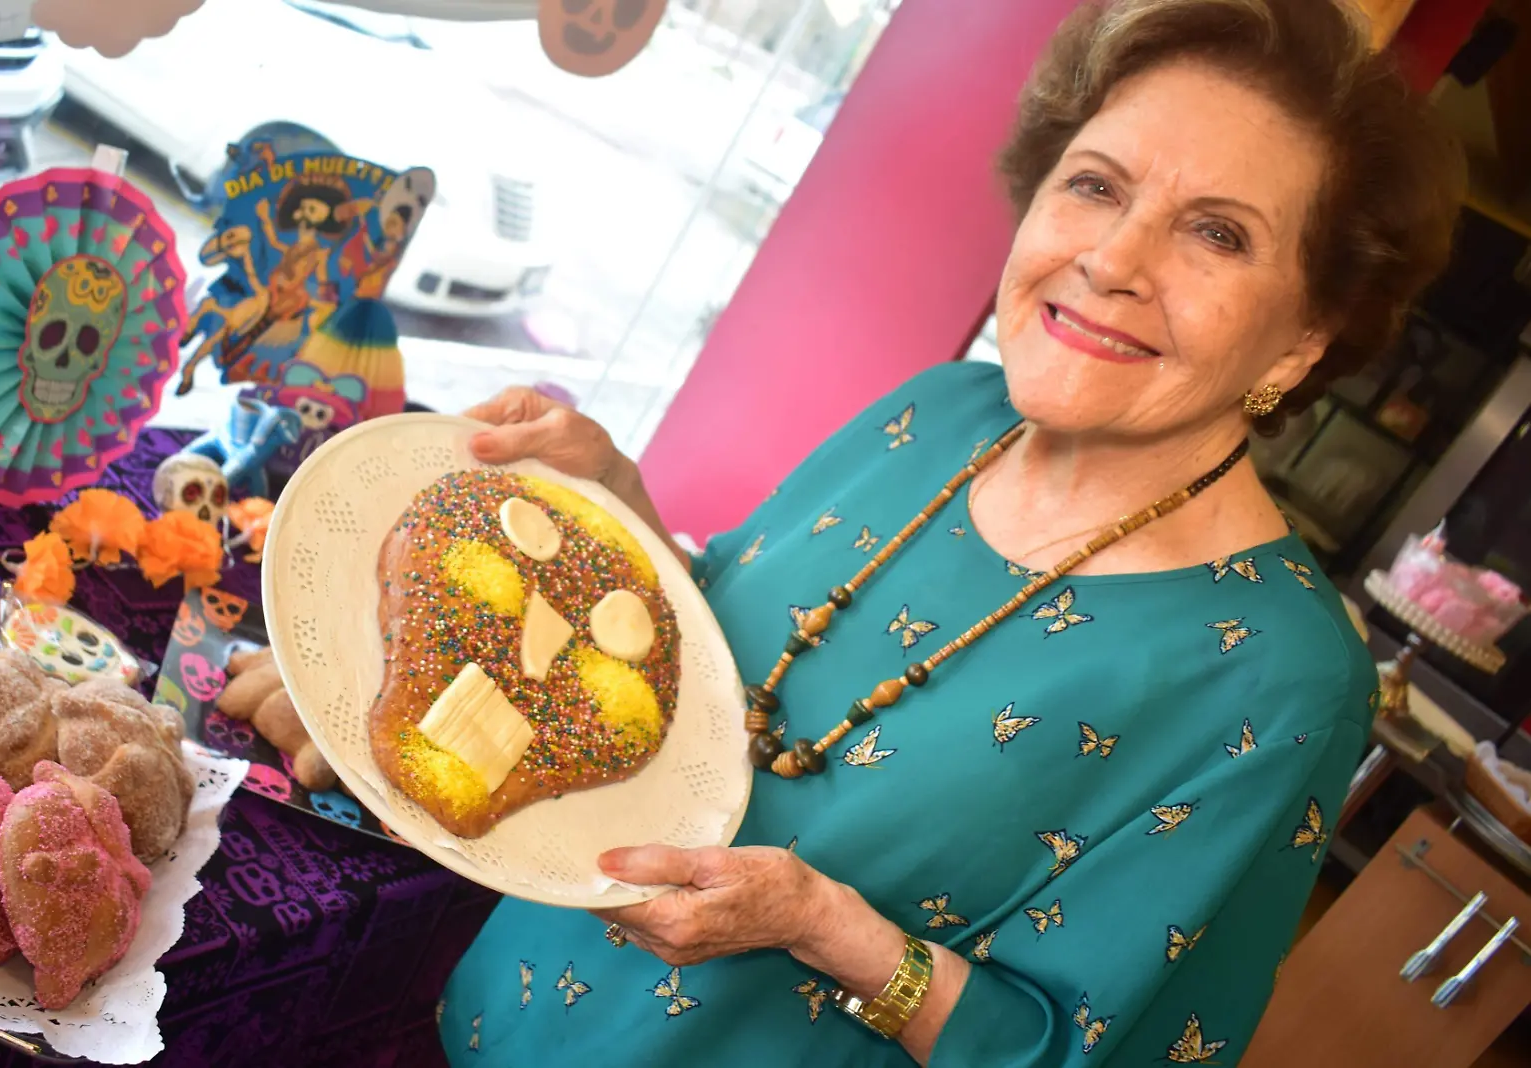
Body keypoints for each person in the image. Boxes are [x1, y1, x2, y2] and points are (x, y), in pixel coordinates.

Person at [435, 0, 1464, 1063]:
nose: (1113, 257)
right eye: (1095, 185)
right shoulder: (935, 412)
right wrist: (617, 494)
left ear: (1302, 339)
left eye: (1217, 233)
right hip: (482, 1007)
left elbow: (1107, 1053)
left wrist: (824, 928)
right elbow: (720, 657)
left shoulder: (1279, 681)